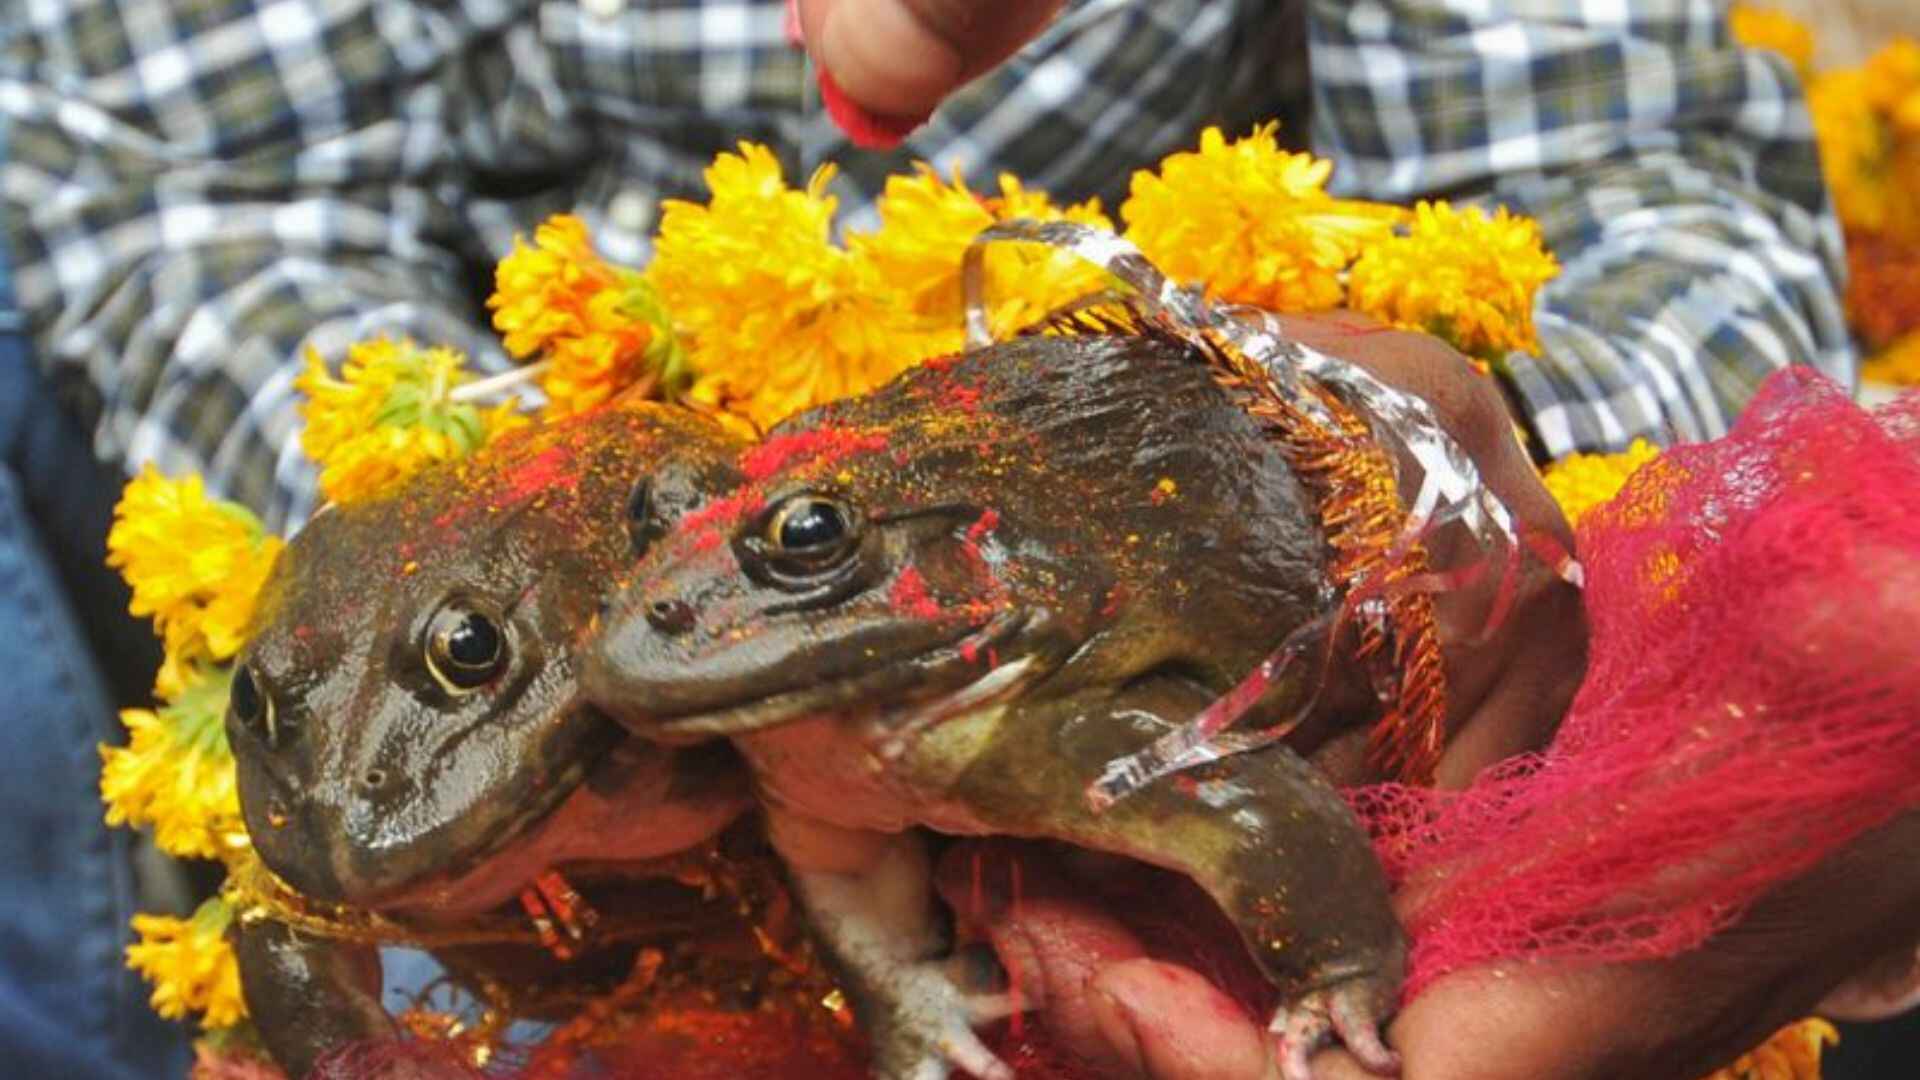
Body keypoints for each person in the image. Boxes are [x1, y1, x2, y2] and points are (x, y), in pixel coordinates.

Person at [0, 1, 1905, 1078]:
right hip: (542, 435)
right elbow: (194, 188)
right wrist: (504, 532)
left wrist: (1397, 487)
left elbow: (1619, 183)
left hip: (1154, 427)